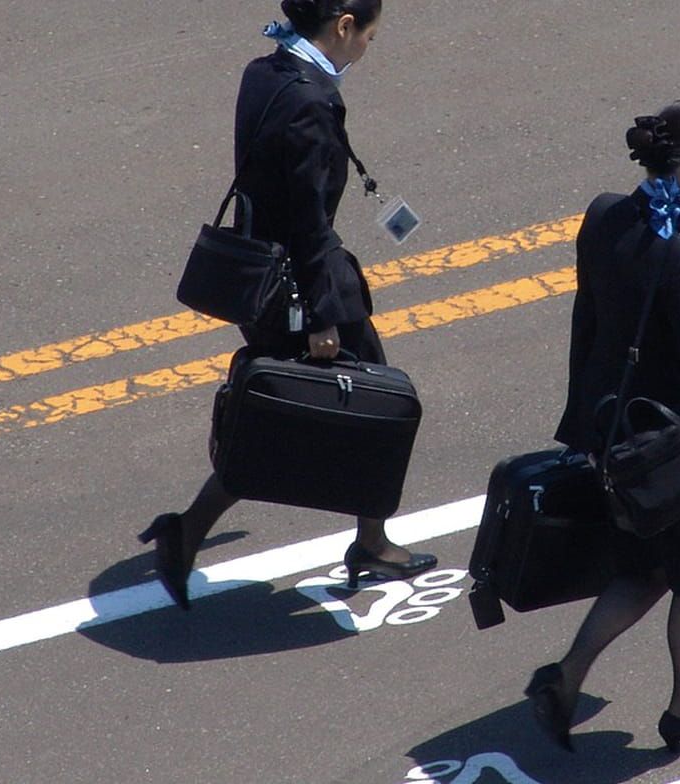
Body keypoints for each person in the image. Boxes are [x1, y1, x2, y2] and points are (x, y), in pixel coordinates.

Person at [139, 0, 435, 611]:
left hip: (265, 275)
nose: (367, 49)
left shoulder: (265, 71)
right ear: (343, 26)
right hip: (303, 286)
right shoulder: (310, 102)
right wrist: (324, 316)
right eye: (368, 36)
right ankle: (193, 531)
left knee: (295, 410)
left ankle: (367, 537)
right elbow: (306, 220)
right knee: (346, 409)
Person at [534, 100, 680, 754]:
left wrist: (580, 423)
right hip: (670, 447)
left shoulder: (604, 213)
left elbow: (586, 322)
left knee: (644, 571)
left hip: (613, 433)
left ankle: (564, 679)